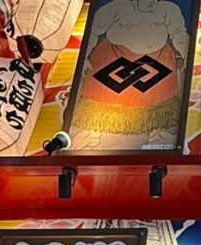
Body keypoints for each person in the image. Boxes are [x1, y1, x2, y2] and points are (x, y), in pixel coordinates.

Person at [70, 0, 189, 149]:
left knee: (161, 103)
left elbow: (179, 34)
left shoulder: (168, 9)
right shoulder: (117, 7)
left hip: (157, 58)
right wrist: (86, 56)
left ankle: (160, 137)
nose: (151, 2)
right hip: (114, 56)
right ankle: (89, 136)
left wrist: (186, 57)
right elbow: (93, 31)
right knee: (98, 100)